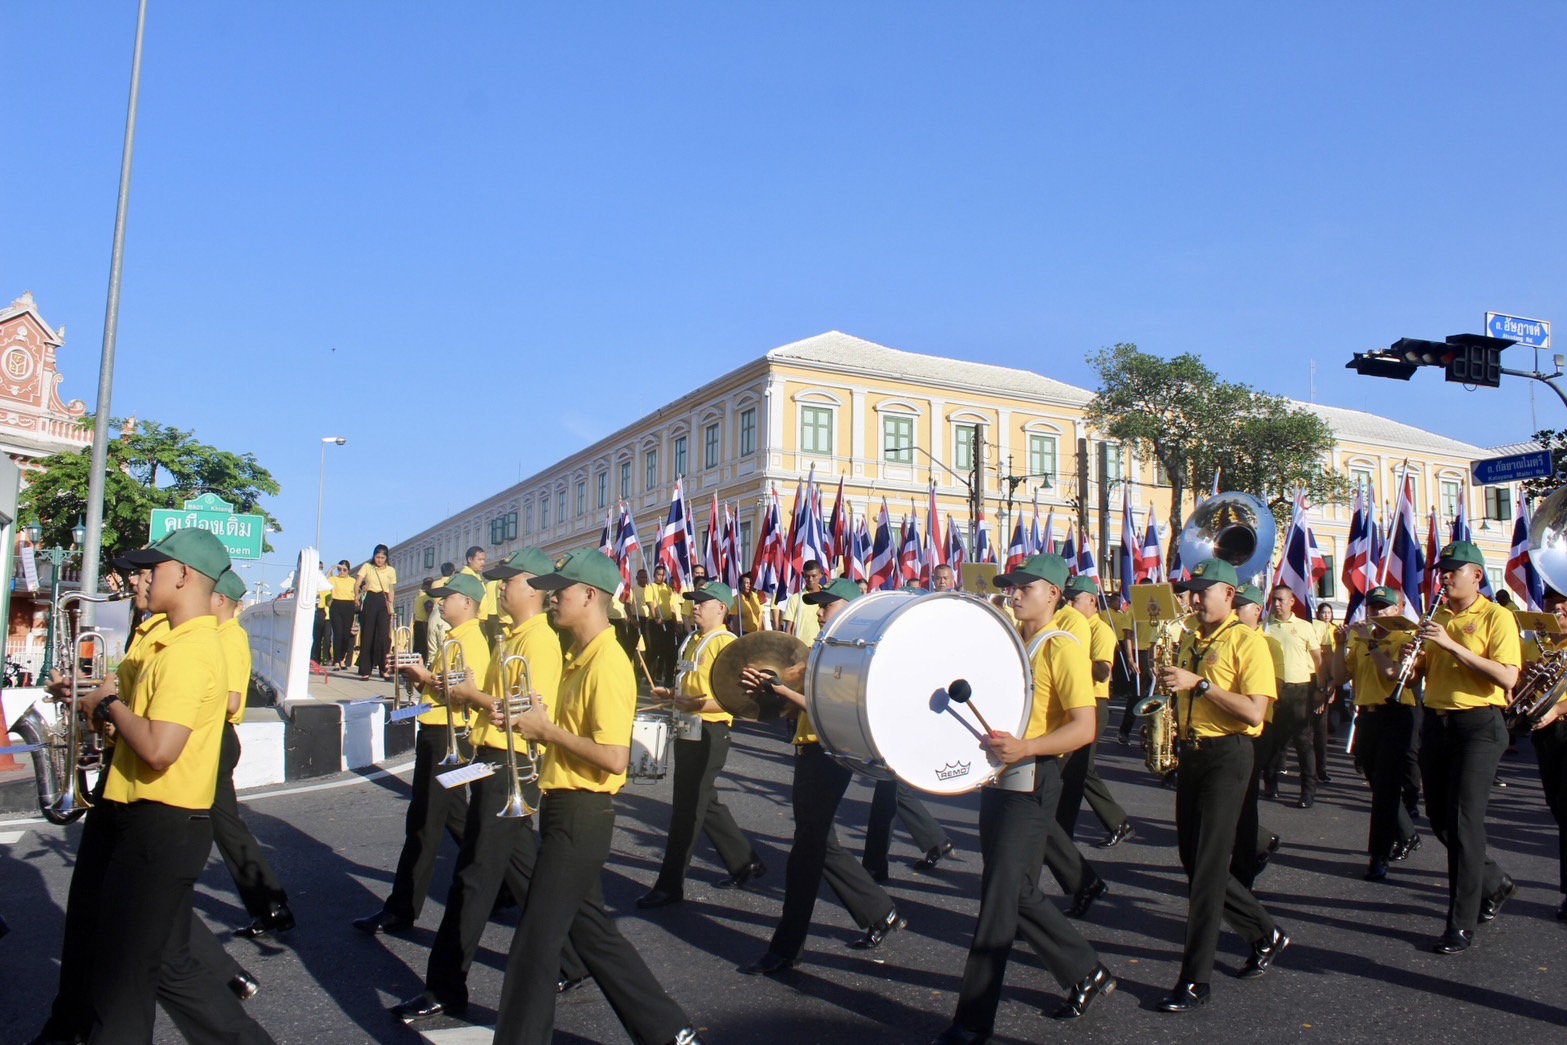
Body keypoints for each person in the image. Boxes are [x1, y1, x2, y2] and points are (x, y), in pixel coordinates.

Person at [491, 549, 703, 1045]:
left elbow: (614, 758)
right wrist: (538, 724)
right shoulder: (576, 656)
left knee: (535, 945)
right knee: (593, 936)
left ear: (589, 596)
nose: (550, 598)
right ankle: (669, 1030)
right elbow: (573, 738)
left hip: (581, 815)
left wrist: (547, 730)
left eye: (559, 590)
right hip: (565, 808)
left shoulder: (608, 661)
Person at [71, 529, 275, 1043]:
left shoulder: (192, 650)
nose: (140, 579)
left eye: (152, 569)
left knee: (125, 978)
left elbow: (161, 749)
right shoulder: (170, 641)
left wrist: (106, 704)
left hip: (161, 820)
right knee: (161, 965)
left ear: (183, 575)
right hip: (146, 814)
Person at [389, 549, 587, 1023]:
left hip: (510, 762)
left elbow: (520, 709)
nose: (500, 588)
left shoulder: (536, 641)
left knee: (473, 875)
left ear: (535, 589)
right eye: (498, 581)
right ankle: (574, 959)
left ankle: (445, 986)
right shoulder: (514, 636)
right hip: (492, 756)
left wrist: (462, 692)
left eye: (509, 582)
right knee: (520, 868)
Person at [933, 554, 1115, 1045]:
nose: (1012, 594)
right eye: (1010, 587)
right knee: (1016, 891)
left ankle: (972, 1024)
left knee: (998, 897)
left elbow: (1085, 726)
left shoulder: (1064, 648)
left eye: (1023, 587)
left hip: (1033, 778)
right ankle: (1085, 971)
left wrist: (1027, 747)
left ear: (1053, 594)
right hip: (1002, 778)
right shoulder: (1015, 642)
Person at [738, 577, 905, 976]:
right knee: (820, 841)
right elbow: (792, 685)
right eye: (819, 604)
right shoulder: (821, 648)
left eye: (827, 605)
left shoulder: (850, 654)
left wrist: (781, 689)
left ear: (848, 611)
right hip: (810, 748)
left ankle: (786, 947)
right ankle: (880, 912)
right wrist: (764, 681)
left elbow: (826, 704)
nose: (819, 610)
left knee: (806, 850)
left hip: (829, 752)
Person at [1153, 558, 1288, 1012]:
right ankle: (1264, 933)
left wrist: (1200, 685)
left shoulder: (1249, 643)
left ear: (1229, 595)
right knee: (1193, 861)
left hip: (1228, 755)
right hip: (1192, 753)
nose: (1193, 600)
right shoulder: (1192, 636)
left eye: (1202, 592)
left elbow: (1254, 712)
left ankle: (1195, 980)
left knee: (1209, 868)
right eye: (1192, 592)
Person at [352, 572, 484, 934]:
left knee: (424, 823)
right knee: (455, 818)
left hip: (445, 733)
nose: (440, 602)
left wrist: (422, 676)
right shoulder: (456, 638)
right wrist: (414, 677)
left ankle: (402, 908)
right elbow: (438, 690)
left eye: (448, 597)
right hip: (436, 726)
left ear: (467, 603)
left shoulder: (468, 641)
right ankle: (503, 888)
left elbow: (456, 692)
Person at [1418, 541, 1521, 954]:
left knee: (1464, 822)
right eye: (1442, 570)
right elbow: (1425, 670)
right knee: (1441, 820)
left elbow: (1507, 676)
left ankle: (1460, 924)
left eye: (1453, 570)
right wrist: (1408, 663)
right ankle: (1495, 882)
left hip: (1479, 725)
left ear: (1476, 575)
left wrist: (1450, 645)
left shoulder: (1497, 616)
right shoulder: (1437, 616)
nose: (1444, 577)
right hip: (1438, 722)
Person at [637, 581, 766, 907]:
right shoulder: (694, 638)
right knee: (704, 800)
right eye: (694, 600)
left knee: (686, 808)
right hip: (688, 725)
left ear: (721, 609)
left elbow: (738, 699)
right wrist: (671, 697)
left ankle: (670, 885)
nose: (695, 606)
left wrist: (696, 706)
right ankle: (743, 861)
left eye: (703, 602)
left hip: (710, 732)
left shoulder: (727, 644)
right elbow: (692, 685)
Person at [212, 571, 295, 940]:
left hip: (214, 737)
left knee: (225, 827)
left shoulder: (228, 639)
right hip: (212, 738)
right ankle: (270, 903)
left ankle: (270, 902)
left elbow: (229, 698)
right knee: (224, 828)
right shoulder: (219, 637)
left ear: (218, 601)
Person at [863, 566, 956, 882]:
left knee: (890, 788)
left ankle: (876, 864)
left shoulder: (938, 635)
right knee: (890, 789)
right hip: (898, 720)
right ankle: (931, 843)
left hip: (911, 723)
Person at [1332, 585, 1421, 882]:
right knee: (1375, 780)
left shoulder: (1405, 637)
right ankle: (1407, 833)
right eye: (1374, 608)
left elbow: (1393, 674)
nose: (1378, 613)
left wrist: (1371, 645)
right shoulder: (1360, 637)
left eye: (1384, 608)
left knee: (1385, 788)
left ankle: (1378, 855)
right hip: (1367, 716)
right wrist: (1339, 643)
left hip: (1395, 714)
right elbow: (1341, 676)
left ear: (1396, 610)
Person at [1057, 575, 1134, 850]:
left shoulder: (1100, 630)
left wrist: (1074, 656)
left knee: (1079, 769)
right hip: (1074, 701)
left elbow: (1103, 672)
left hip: (1094, 703)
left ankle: (1108, 823)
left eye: (1075, 599)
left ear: (1091, 600)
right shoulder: (1068, 623)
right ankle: (1113, 823)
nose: (1070, 604)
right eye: (1067, 599)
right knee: (1076, 769)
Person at [1230, 584, 1284, 890]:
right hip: (1230, 726)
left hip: (1258, 728)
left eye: (1242, 607)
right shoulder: (1229, 640)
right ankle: (1260, 843)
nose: (1236, 612)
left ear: (1257, 611)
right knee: (1236, 800)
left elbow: (1269, 692)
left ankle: (1244, 871)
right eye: (1234, 605)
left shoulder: (1266, 644)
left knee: (1244, 800)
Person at [1262, 585, 1323, 808]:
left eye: (1280, 600)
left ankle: (1308, 791)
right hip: (1274, 690)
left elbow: (1318, 660)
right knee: (1274, 740)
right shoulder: (1265, 628)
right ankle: (1271, 783)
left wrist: (1322, 689)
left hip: (1300, 689)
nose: (1276, 604)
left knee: (1303, 742)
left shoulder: (1305, 627)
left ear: (1291, 602)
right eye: (1273, 600)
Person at [1528, 586, 1567, 921]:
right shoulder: (1538, 643)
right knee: (1558, 807)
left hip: (1562, 723)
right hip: (1546, 734)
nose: (1558, 612)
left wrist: (1558, 709)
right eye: (1552, 606)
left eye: (1564, 606)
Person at [356, 545, 397, 679]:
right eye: (377, 557)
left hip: (383, 600)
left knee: (383, 636)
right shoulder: (367, 567)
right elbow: (357, 583)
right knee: (367, 634)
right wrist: (356, 595)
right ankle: (365, 670)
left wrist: (391, 605)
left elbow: (391, 589)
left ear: (386, 558)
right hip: (371, 599)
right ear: (374, 556)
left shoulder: (391, 570)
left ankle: (383, 668)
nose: (379, 560)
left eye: (382, 558)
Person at [643, 563, 681, 686]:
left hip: (668, 622)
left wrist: (675, 623)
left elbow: (672, 607)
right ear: (654, 575)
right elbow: (650, 604)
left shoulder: (668, 589)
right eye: (659, 575)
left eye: (663, 575)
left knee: (670, 651)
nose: (661, 577)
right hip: (655, 623)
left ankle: (668, 679)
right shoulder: (650, 587)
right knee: (654, 651)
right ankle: (648, 676)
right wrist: (656, 617)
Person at [781, 559, 826, 645]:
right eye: (807, 576)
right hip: (800, 647)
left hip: (820, 646)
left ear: (821, 575)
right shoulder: (795, 598)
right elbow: (788, 627)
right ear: (803, 575)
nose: (810, 579)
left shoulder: (827, 597)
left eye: (814, 576)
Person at [328, 559, 357, 669]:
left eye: (344, 570)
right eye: (340, 569)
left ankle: (341, 658)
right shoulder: (333, 579)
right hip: (336, 605)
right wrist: (332, 569)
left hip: (349, 606)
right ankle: (336, 660)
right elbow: (324, 582)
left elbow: (356, 594)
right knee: (338, 633)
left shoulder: (352, 581)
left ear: (348, 570)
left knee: (346, 635)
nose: (342, 572)